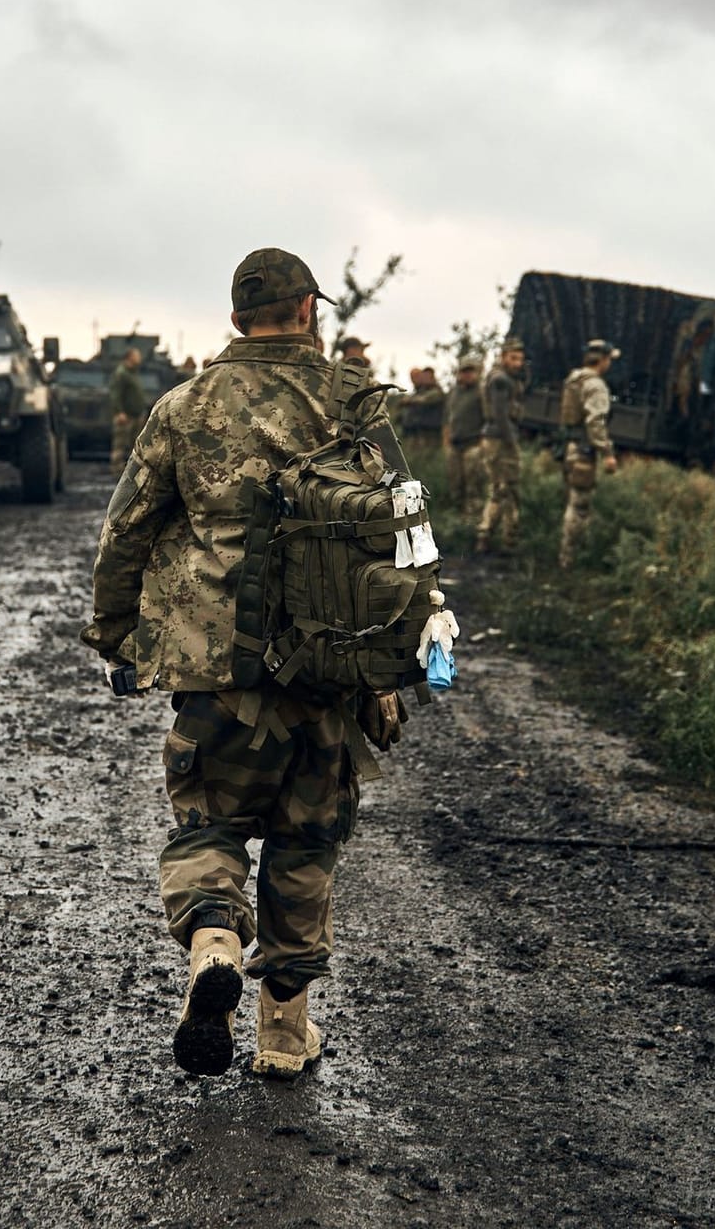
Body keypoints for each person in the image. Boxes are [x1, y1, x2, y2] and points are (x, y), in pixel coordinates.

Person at [82, 248, 411, 1080]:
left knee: (210, 825)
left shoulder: (183, 405)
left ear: (237, 321)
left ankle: (215, 948)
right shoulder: (354, 404)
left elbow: (126, 531)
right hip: (329, 667)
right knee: (307, 841)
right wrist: (395, 672)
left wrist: (115, 632)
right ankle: (283, 1033)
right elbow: (404, 540)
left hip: (212, 667)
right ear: (308, 311)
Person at [558, 338, 621, 570]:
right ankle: (570, 560)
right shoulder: (595, 385)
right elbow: (595, 421)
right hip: (584, 451)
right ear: (602, 360)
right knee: (580, 506)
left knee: (572, 502)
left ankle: (569, 556)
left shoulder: (574, 379)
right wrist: (607, 452)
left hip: (570, 447)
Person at [473, 338, 527, 553]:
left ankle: (499, 537)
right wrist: (510, 441)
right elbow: (500, 414)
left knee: (505, 489)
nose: (518, 363)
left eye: (520, 359)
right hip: (500, 439)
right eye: (513, 358)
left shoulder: (504, 378)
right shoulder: (501, 380)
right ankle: (491, 536)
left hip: (498, 437)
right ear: (503, 357)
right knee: (503, 489)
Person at [443, 355, 485, 517]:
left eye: (470, 371)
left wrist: (482, 444)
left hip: (473, 445)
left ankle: (472, 520)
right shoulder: (454, 392)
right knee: (455, 484)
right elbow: (447, 418)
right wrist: (446, 442)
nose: (467, 375)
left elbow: (488, 419)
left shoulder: (481, 392)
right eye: (464, 371)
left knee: (473, 485)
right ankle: (455, 517)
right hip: (455, 445)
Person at [392, 364, 447, 457]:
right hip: (417, 432)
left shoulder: (436, 391)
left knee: (427, 458)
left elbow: (424, 400)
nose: (425, 379)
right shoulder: (419, 392)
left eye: (428, 377)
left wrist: (408, 401)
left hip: (431, 434)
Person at [109, 346, 147, 468]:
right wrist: (119, 412)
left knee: (135, 446)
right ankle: (116, 469)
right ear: (130, 357)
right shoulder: (122, 373)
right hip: (126, 416)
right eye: (137, 356)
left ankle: (131, 470)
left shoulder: (132, 373)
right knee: (120, 445)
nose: (139, 358)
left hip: (135, 416)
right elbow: (115, 394)